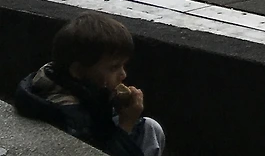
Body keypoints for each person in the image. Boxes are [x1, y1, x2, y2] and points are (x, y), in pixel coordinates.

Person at [16, 11, 165, 156]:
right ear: (78, 70)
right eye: (113, 67)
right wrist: (126, 124)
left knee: (149, 127)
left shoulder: (67, 80)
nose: (123, 74)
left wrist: (114, 103)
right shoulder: (69, 112)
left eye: (123, 65)